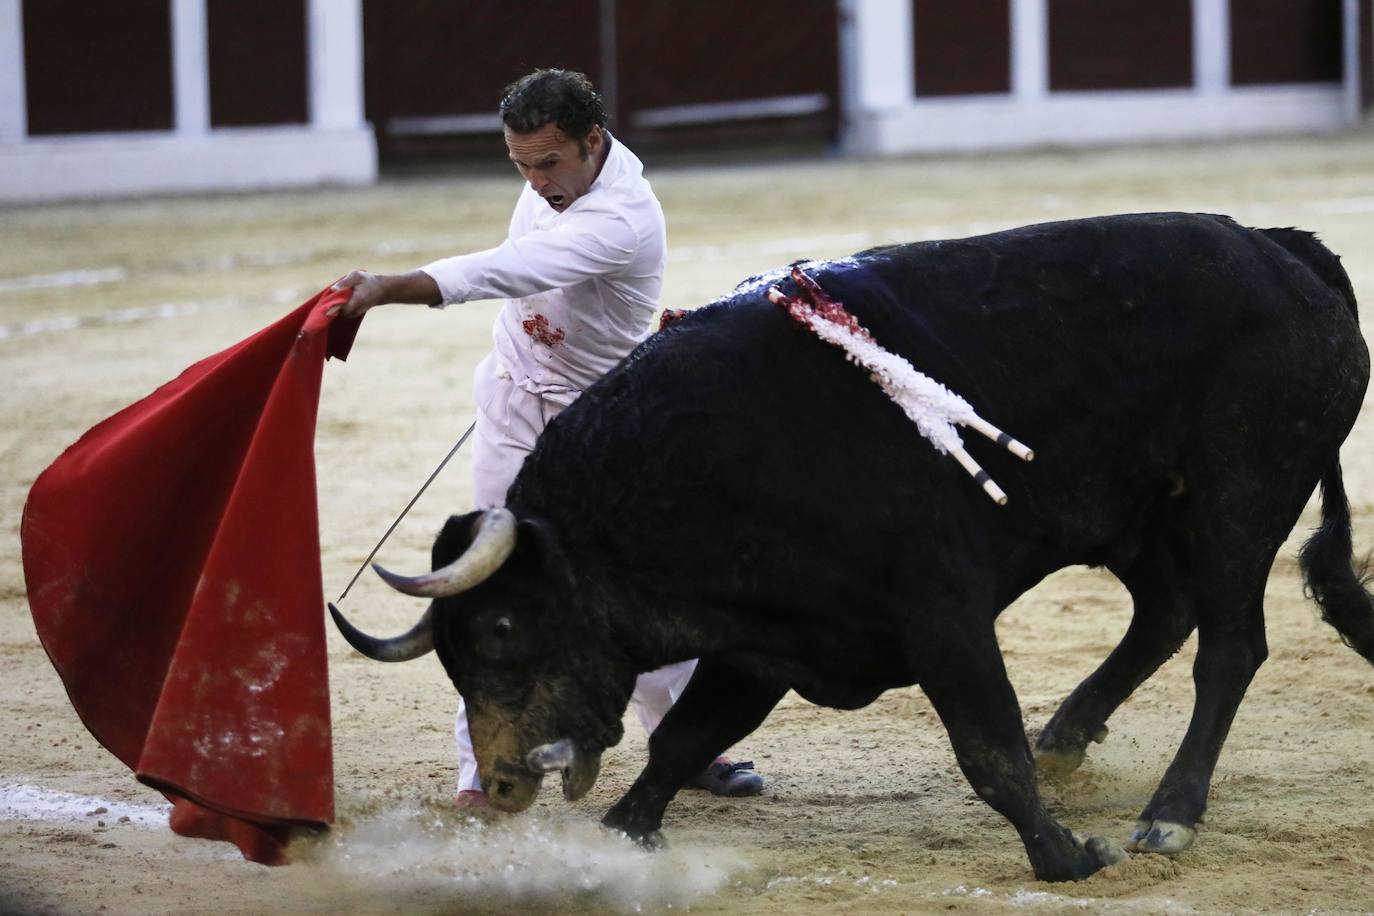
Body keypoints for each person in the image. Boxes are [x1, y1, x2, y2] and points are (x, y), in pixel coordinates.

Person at [327, 69, 764, 807]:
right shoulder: (551, 176)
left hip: (598, 423)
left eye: (548, 163)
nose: (535, 181)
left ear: (593, 142)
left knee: (636, 590)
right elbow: (521, 269)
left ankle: (690, 744)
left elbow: (511, 268)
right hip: (511, 399)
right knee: (494, 583)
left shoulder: (623, 216)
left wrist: (388, 286)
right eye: (520, 164)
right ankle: (479, 773)